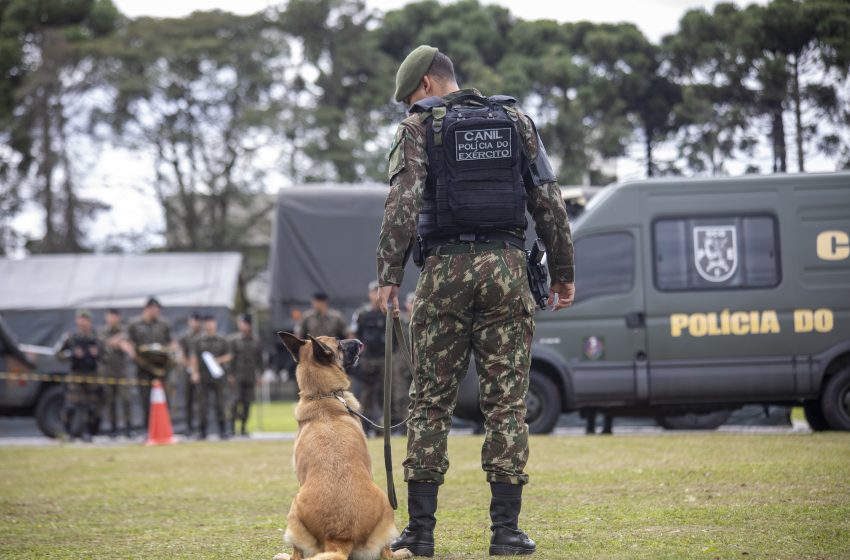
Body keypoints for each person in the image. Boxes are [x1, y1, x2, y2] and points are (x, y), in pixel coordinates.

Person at [376, 46, 576, 557]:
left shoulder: (418, 128)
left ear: (424, 85)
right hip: (508, 273)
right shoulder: (515, 120)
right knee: (506, 402)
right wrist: (563, 271)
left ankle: (420, 534)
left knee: (430, 401)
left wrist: (388, 274)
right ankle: (506, 532)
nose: (406, 107)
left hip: (443, 273)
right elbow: (548, 200)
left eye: (407, 97)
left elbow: (402, 202)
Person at [55, 310, 103, 442]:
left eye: (85, 319)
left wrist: (97, 354)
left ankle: (88, 433)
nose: (83, 322)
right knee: (70, 406)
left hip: (92, 375)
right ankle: (69, 432)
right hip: (76, 374)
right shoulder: (71, 337)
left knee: (91, 407)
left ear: (90, 321)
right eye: (80, 319)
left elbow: (106, 354)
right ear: (77, 321)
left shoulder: (96, 338)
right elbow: (58, 353)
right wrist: (71, 354)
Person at [128, 297, 174, 429]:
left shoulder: (164, 324)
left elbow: (171, 342)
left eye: (157, 309)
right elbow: (128, 342)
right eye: (153, 309)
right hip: (144, 367)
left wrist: (173, 354)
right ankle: (148, 428)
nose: (155, 312)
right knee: (146, 399)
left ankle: (164, 427)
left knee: (164, 398)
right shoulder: (135, 324)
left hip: (162, 368)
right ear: (146, 309)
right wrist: (133, 354)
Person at [351, 281, 387, 434]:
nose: (376, 295)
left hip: (385, 359)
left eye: (379, 292)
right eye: (374, 292)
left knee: (386, 394)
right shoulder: (362, 314)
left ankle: (386, 426)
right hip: (367, 360)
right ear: (369, 294)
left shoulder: (388, 312)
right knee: (365, 394)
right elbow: (353, 335)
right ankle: (365, 426)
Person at [189, 315, 232, 440]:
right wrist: (195, 372)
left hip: (219, 376)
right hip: (203, 376)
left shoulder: (222, 339)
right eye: (207, 323)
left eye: (211, 323)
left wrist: (218, 360)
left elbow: (229, 355)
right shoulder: (198, 340)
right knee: (203, 404)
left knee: (221, 403)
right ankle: (202, 431)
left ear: (215, 324)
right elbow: (194, 357)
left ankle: (223, 430)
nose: (209, 325)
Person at [97, 308, 135, 438]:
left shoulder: (125, 331)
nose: (113, 319)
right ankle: (113, 428)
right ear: (106, 317)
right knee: (110, 400)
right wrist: (119, 340)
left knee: (126, 400)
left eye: (115, 316)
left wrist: (120, 341)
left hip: (122, 371)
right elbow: (104, 343)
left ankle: (128, 427)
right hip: (107, 371)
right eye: (110, 316)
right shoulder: (102, 331)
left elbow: (130, 347)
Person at [228, 313, 263, 437]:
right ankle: (231, 427)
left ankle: (243, 428)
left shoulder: (256, 340)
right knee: (235, 402)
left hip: (250, 376)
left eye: (242, 323)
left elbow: (259, 360)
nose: (240, 325)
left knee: (247, 403)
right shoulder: (234, 340)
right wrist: (230, 374)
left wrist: (260, 375)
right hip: (237, 376)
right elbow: (230, 359)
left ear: (248, 325)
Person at [390, 292, 415, 431]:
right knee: (400, 395)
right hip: (401, 362)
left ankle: (415, 424)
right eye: (411, 303)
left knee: (418, 395)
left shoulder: (423, 321)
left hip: (418, 362)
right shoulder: (399, 321)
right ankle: (403, 425)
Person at [178, 312, 202, 436]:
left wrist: (196, 370)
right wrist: (190, 368)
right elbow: (181, 353)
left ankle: (200, 428)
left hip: (202, 373)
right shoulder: (185, 336)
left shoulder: (203, 336)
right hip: (187, 371)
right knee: (188, 401)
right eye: (193, 320)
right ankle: (189, 427)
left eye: (197, 320)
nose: (195, 323)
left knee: (201, 401)